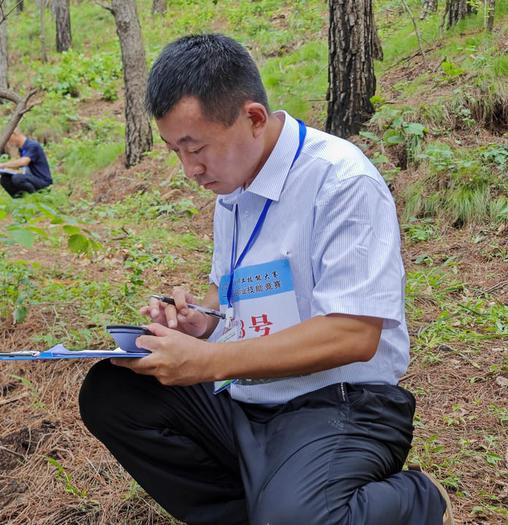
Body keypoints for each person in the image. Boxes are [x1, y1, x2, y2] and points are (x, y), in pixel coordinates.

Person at [79, 34, 452, 525]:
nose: (189, 169)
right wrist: (203, 323)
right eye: (175, 151)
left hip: (340, 403)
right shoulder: (232, 188)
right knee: (113, 393)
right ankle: (258, 510)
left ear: (253, 118)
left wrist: (209, 360)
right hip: (249, 397)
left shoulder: (340, 181)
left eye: (196, 148)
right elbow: (235, 296)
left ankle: (419, 500)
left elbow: (355, 334)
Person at [0, 129, 52, 198]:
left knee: (18, 178)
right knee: (4, 179)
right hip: (32, 177)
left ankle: (35, 200)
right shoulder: (22, 149)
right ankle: (20, 201)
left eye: (9, 139)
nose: (8, 143)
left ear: (14, 135)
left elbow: (23, 162)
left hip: (43, 182)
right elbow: (22, 167)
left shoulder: (32, 145)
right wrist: (4, 170)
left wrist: (3, 165)